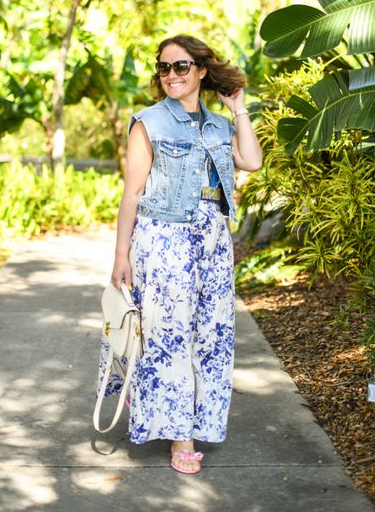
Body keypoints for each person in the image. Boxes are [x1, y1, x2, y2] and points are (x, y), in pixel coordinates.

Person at [97, 34, 262, 474]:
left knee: (211, 336)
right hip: (164, 238)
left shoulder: (219, 125)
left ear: (201, 71)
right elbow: (131, 194)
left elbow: (252, 160)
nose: (171, 75)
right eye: (165, 68)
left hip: (212, 238)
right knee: (170, 338)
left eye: (182, 66)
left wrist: (238, 108)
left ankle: (191, 418)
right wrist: (120, 255)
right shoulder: (148, 122)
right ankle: (179, 439)